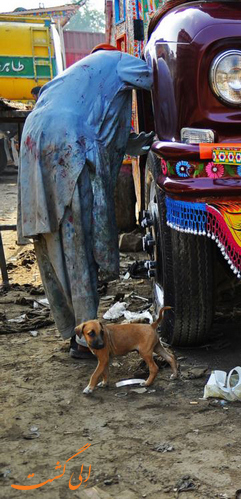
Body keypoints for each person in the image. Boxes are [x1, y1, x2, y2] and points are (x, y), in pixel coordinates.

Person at [17, 44, 153, 359]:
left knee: (51, 241)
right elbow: (158, 77)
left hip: (34, 135)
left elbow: (103, 123)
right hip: (67, 140)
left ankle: (72, 330)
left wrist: (132, 142)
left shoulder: (72, 77)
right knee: (78, 239)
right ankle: (84, 338)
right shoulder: (118, 60)